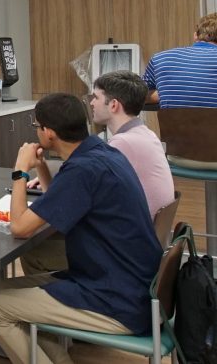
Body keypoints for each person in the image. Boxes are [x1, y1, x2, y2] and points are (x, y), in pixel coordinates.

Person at [0, 93, 161, 364]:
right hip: (129, 282)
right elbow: (61, 202)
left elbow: (20, 227)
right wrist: (42, 168)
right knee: (3, 288)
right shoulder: (100, 153)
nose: (36, 131)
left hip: (115, 299)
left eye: (37, 125)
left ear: (49, 133)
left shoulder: (83, 171)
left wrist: (20, 171)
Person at [21, 71, 175, 275]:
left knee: (35, 245)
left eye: (96, 97)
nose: (91, 103)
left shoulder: (120, 145)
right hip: (141, 243)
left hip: (121, 252)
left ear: (113, 105)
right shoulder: (143, 134)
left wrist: (24, 171)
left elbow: (81, 182)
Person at [143, 12, 217, 108]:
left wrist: (166, 93)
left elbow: (138, 95)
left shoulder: (160, 58)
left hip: (174, 122)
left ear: (195, 36)